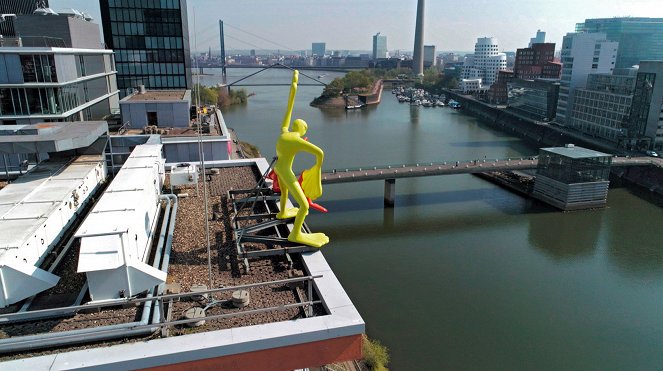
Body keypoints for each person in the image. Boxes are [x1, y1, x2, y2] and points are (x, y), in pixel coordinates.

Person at [274, 70, 329, 248]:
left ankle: (283, 212)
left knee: (285, 192)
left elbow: (288, 109)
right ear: (303, 129)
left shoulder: (284, 132)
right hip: (286, 172)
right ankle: (296, 234)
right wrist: (317, 168)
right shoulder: (297, 140)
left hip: (278, 169)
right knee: (304, 206)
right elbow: (319, 152)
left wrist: (294, 87)